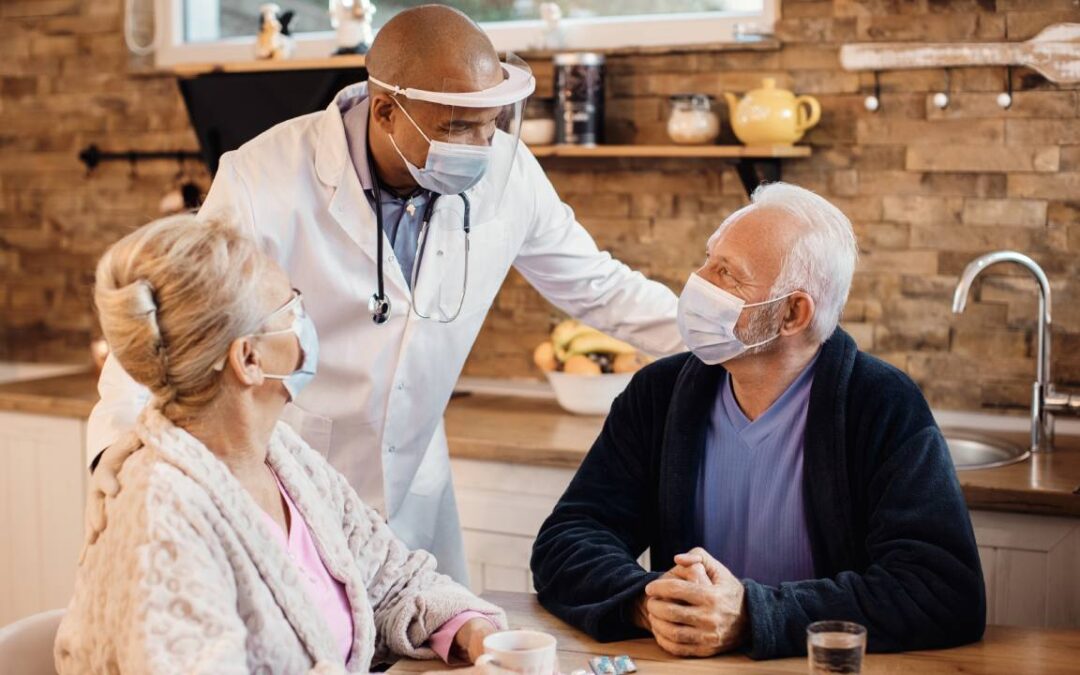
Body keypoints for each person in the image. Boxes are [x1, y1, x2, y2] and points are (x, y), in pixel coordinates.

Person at [83, 4, 681, 584]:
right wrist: (119, 443)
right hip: (287, 483)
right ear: (387, 111)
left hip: (413, 493)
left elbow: (599, 286)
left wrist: (720, 333)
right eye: (457, 126)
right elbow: (178, 315)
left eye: (491, 123)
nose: (481, 146)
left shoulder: (507, 171)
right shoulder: (263, 177)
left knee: (432, 637)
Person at [529, 183, 986, 660]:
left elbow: (942, 590)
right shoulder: (657, 394)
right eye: (708, 259)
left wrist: (752, 614)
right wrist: (651, 603)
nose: (698, 281)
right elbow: (566, 541)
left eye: (727, 274)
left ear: (792, 313)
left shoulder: (883, 405)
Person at [55, 214, 505, 674]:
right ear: (248, 359)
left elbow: (391, 580)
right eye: (292, 309)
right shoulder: (162, 515)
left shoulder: (283, 458)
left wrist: (471, 629)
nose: (306, 324)